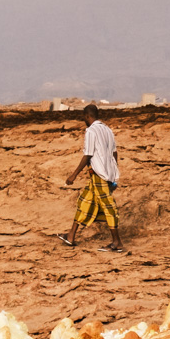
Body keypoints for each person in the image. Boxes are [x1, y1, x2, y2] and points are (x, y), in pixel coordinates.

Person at [63, 105, 124, 252]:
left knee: (109, 207)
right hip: (104, 174)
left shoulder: (91, 131)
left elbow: (88, 154)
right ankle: (71, 236)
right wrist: (113, 172)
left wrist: (74, 174)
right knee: (85, 201)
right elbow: (115, 153)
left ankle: (117, 242)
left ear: (86, 116)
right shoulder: (107, 130)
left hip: (99, 174)